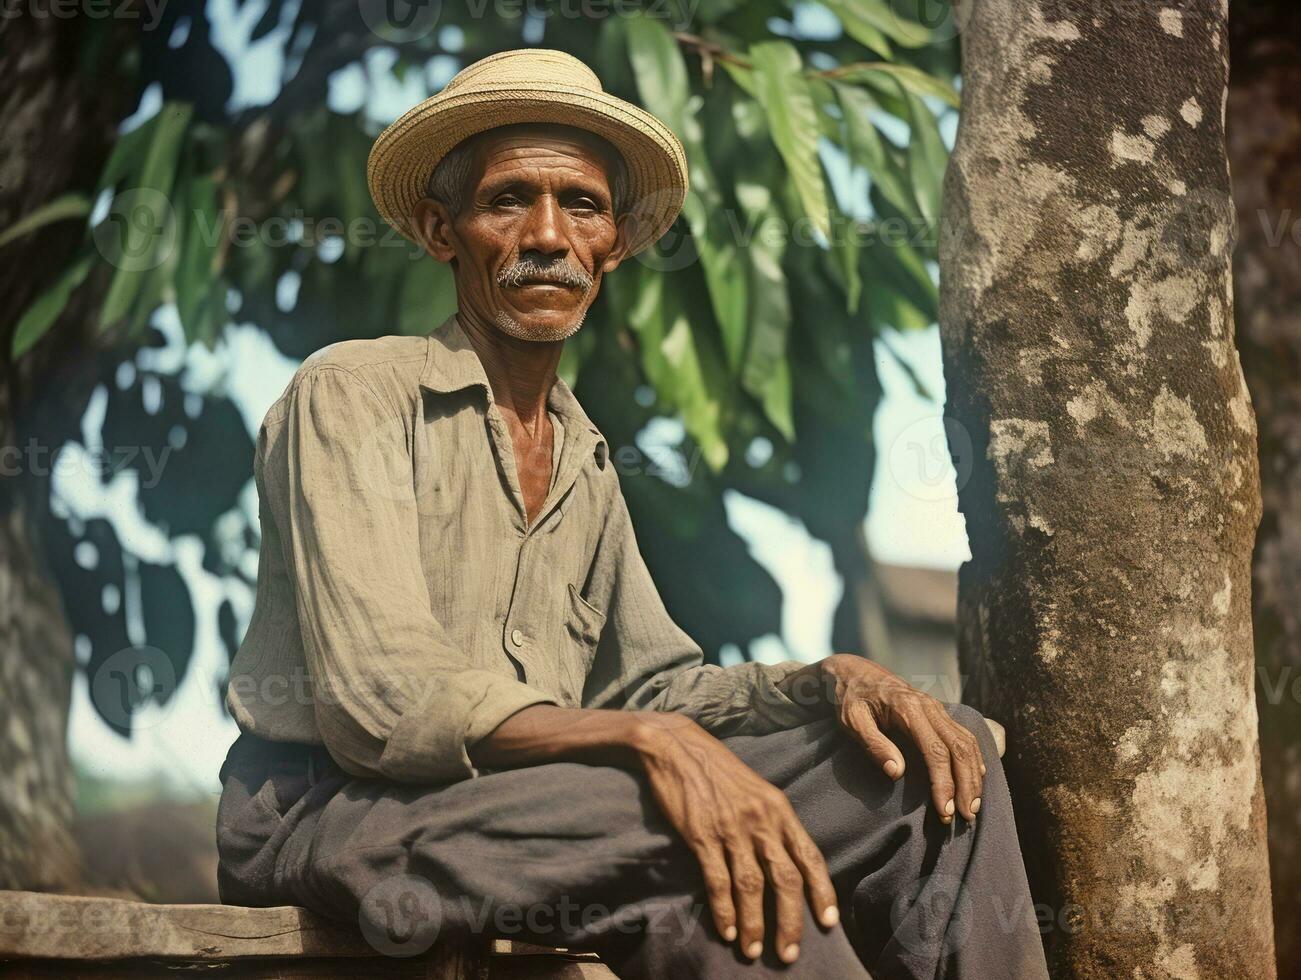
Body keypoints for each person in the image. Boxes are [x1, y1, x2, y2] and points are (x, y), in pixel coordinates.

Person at [216, 47, 1049, 979]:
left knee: (939, 759)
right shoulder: (353, 394)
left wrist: (824, 678)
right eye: (507, 201)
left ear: (611, 242)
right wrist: (650, 742)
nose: (546, 234)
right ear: (441, 230)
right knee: (692, 829)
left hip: (541, 809)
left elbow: (653, 690)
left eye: (580, 204)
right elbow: (379, 701)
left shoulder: (584, 455)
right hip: (334, 813)